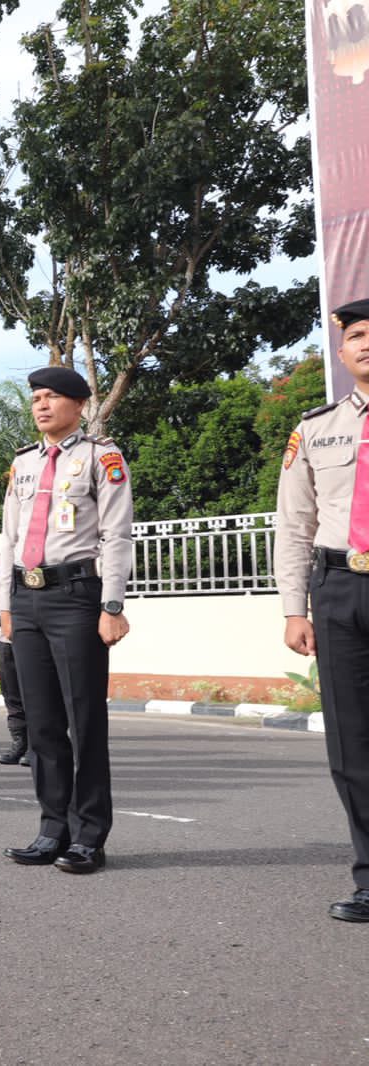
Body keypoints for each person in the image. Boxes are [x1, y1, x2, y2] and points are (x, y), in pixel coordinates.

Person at [0, 365, 133, 875]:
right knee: (43, 724)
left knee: (84, 720)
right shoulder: (24, 464)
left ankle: (89, 837)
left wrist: (112, 605)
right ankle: (52, 828)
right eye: (36, 397)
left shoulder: (102, 457)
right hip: (26, 598)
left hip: (76, 596)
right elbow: (9, 539)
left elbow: (117, 536)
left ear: (79, 404)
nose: (41, 405)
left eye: (52, 396)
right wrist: (5, 608)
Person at [276, 297, 369, 921]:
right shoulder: (316, 427)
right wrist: (294, 607)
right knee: (353, 743)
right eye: (357, 335)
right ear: (342, 351)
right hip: (339, 591)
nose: (367, 343)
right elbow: (295, 524)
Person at [0, 557, 28, 766]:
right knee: (11, 693)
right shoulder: (1, 557)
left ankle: (38, 745)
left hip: (33, 633)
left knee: (37, 693)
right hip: (5, 636)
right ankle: (19, 742)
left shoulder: (39, 552)